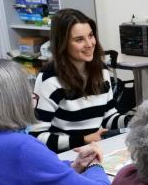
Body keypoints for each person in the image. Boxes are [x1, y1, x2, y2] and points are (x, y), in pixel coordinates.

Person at [31, 8, 135, 152]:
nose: (89, 44)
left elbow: (108, 118)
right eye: (79, 39)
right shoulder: (49, 79)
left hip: (94, 150)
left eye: (91, 36)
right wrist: (83, 140)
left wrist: (135, 121)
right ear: (62, 44)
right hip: (65, 158)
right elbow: (36, 136)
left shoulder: (101, 71)